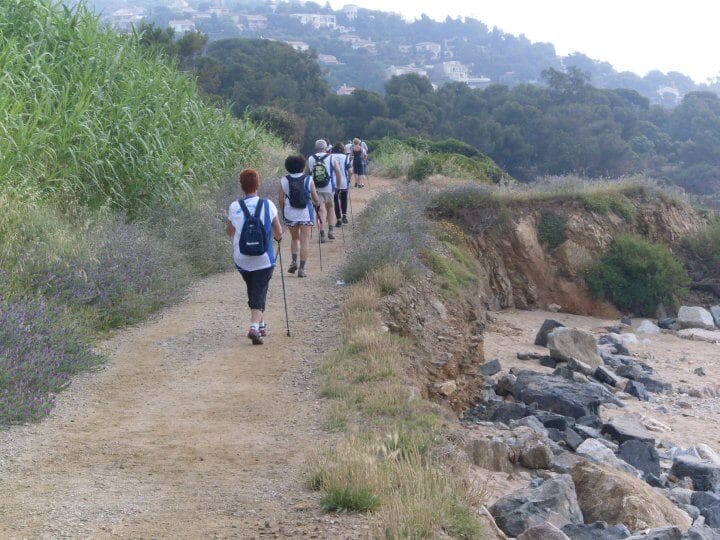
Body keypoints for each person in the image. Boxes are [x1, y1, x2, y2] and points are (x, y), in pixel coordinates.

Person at [226, 169, 282, 345]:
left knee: (253, 288)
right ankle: (254, 328)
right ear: (258, 184)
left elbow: (229, 232)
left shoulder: (234, 206)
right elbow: (278, 231)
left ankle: (261, 324)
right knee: (259, 289)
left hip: (241, 258)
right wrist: (278, 238)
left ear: (242, 186)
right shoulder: (268, 205)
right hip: (264, 258)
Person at [278, 154, 321, 278]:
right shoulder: (308, 179)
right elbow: (316, 199)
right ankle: (302, 269)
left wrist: (283, 211)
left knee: (294, 238)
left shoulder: (284, 180)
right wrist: (317, 205)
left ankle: (293, 261)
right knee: (305, 241)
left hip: (290, 214)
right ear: (303, 166)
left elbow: (280, 198)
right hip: (305, 214)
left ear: (288, 166)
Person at [307, 139, 343, 243]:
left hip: (315, 189)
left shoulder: (310, 158)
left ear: (316, 147)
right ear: (325, 147)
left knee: (319, 210)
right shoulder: (331, 157)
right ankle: (331, 231)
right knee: (330, 207)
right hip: (329, 188)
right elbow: (338, 173)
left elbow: (310, 174)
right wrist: (338, 187)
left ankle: (321, 233)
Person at [330, 142, 350, 227]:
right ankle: (344, 216)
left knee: (335, 201)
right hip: (343, 181)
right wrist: (349, 179)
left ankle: (338, 220)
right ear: (343, 149)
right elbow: (350, 171)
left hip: (333, 182)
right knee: (344, 199)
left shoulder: (330, 157)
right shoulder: (346, 157)